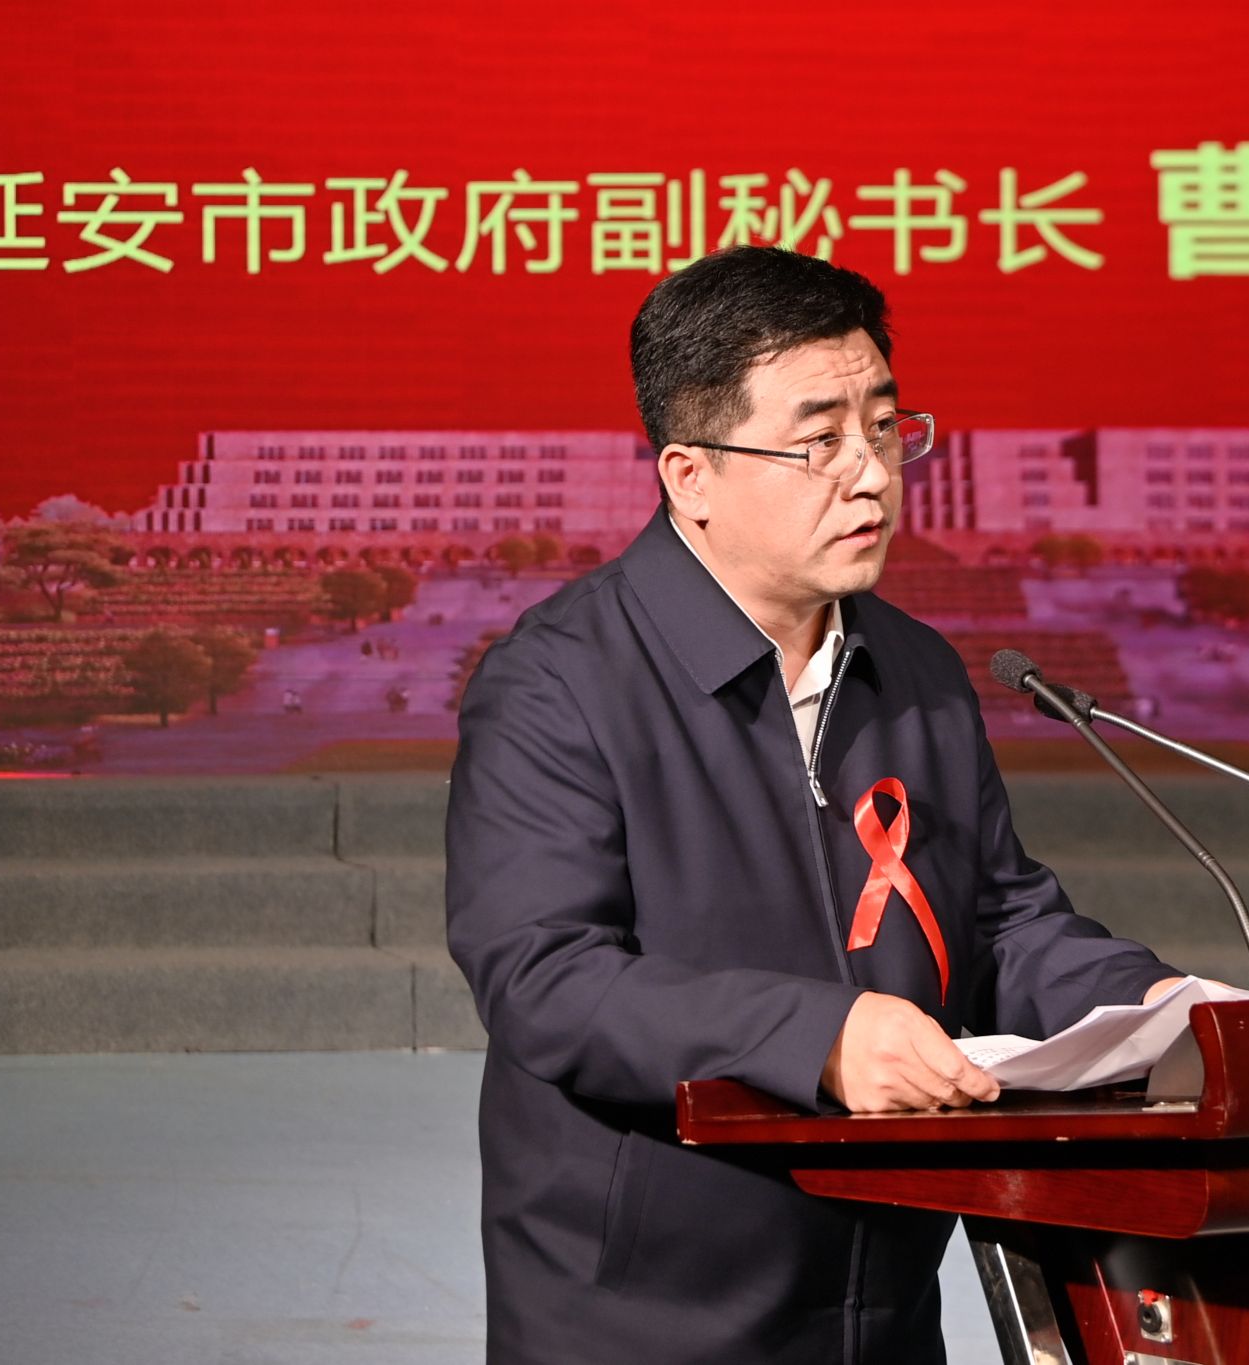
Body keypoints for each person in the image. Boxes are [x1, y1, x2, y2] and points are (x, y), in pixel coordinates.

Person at [445, 244, 1190, 1364]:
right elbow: (545, 978)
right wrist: (819, 1039)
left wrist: (1160, 1008)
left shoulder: (917, 672)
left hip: (880, 1302)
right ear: (689, 476)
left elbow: (997, 923)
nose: (871, 475)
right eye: (818, 441)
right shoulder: (561, 682)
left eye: (884, 428)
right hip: (644, 1318)